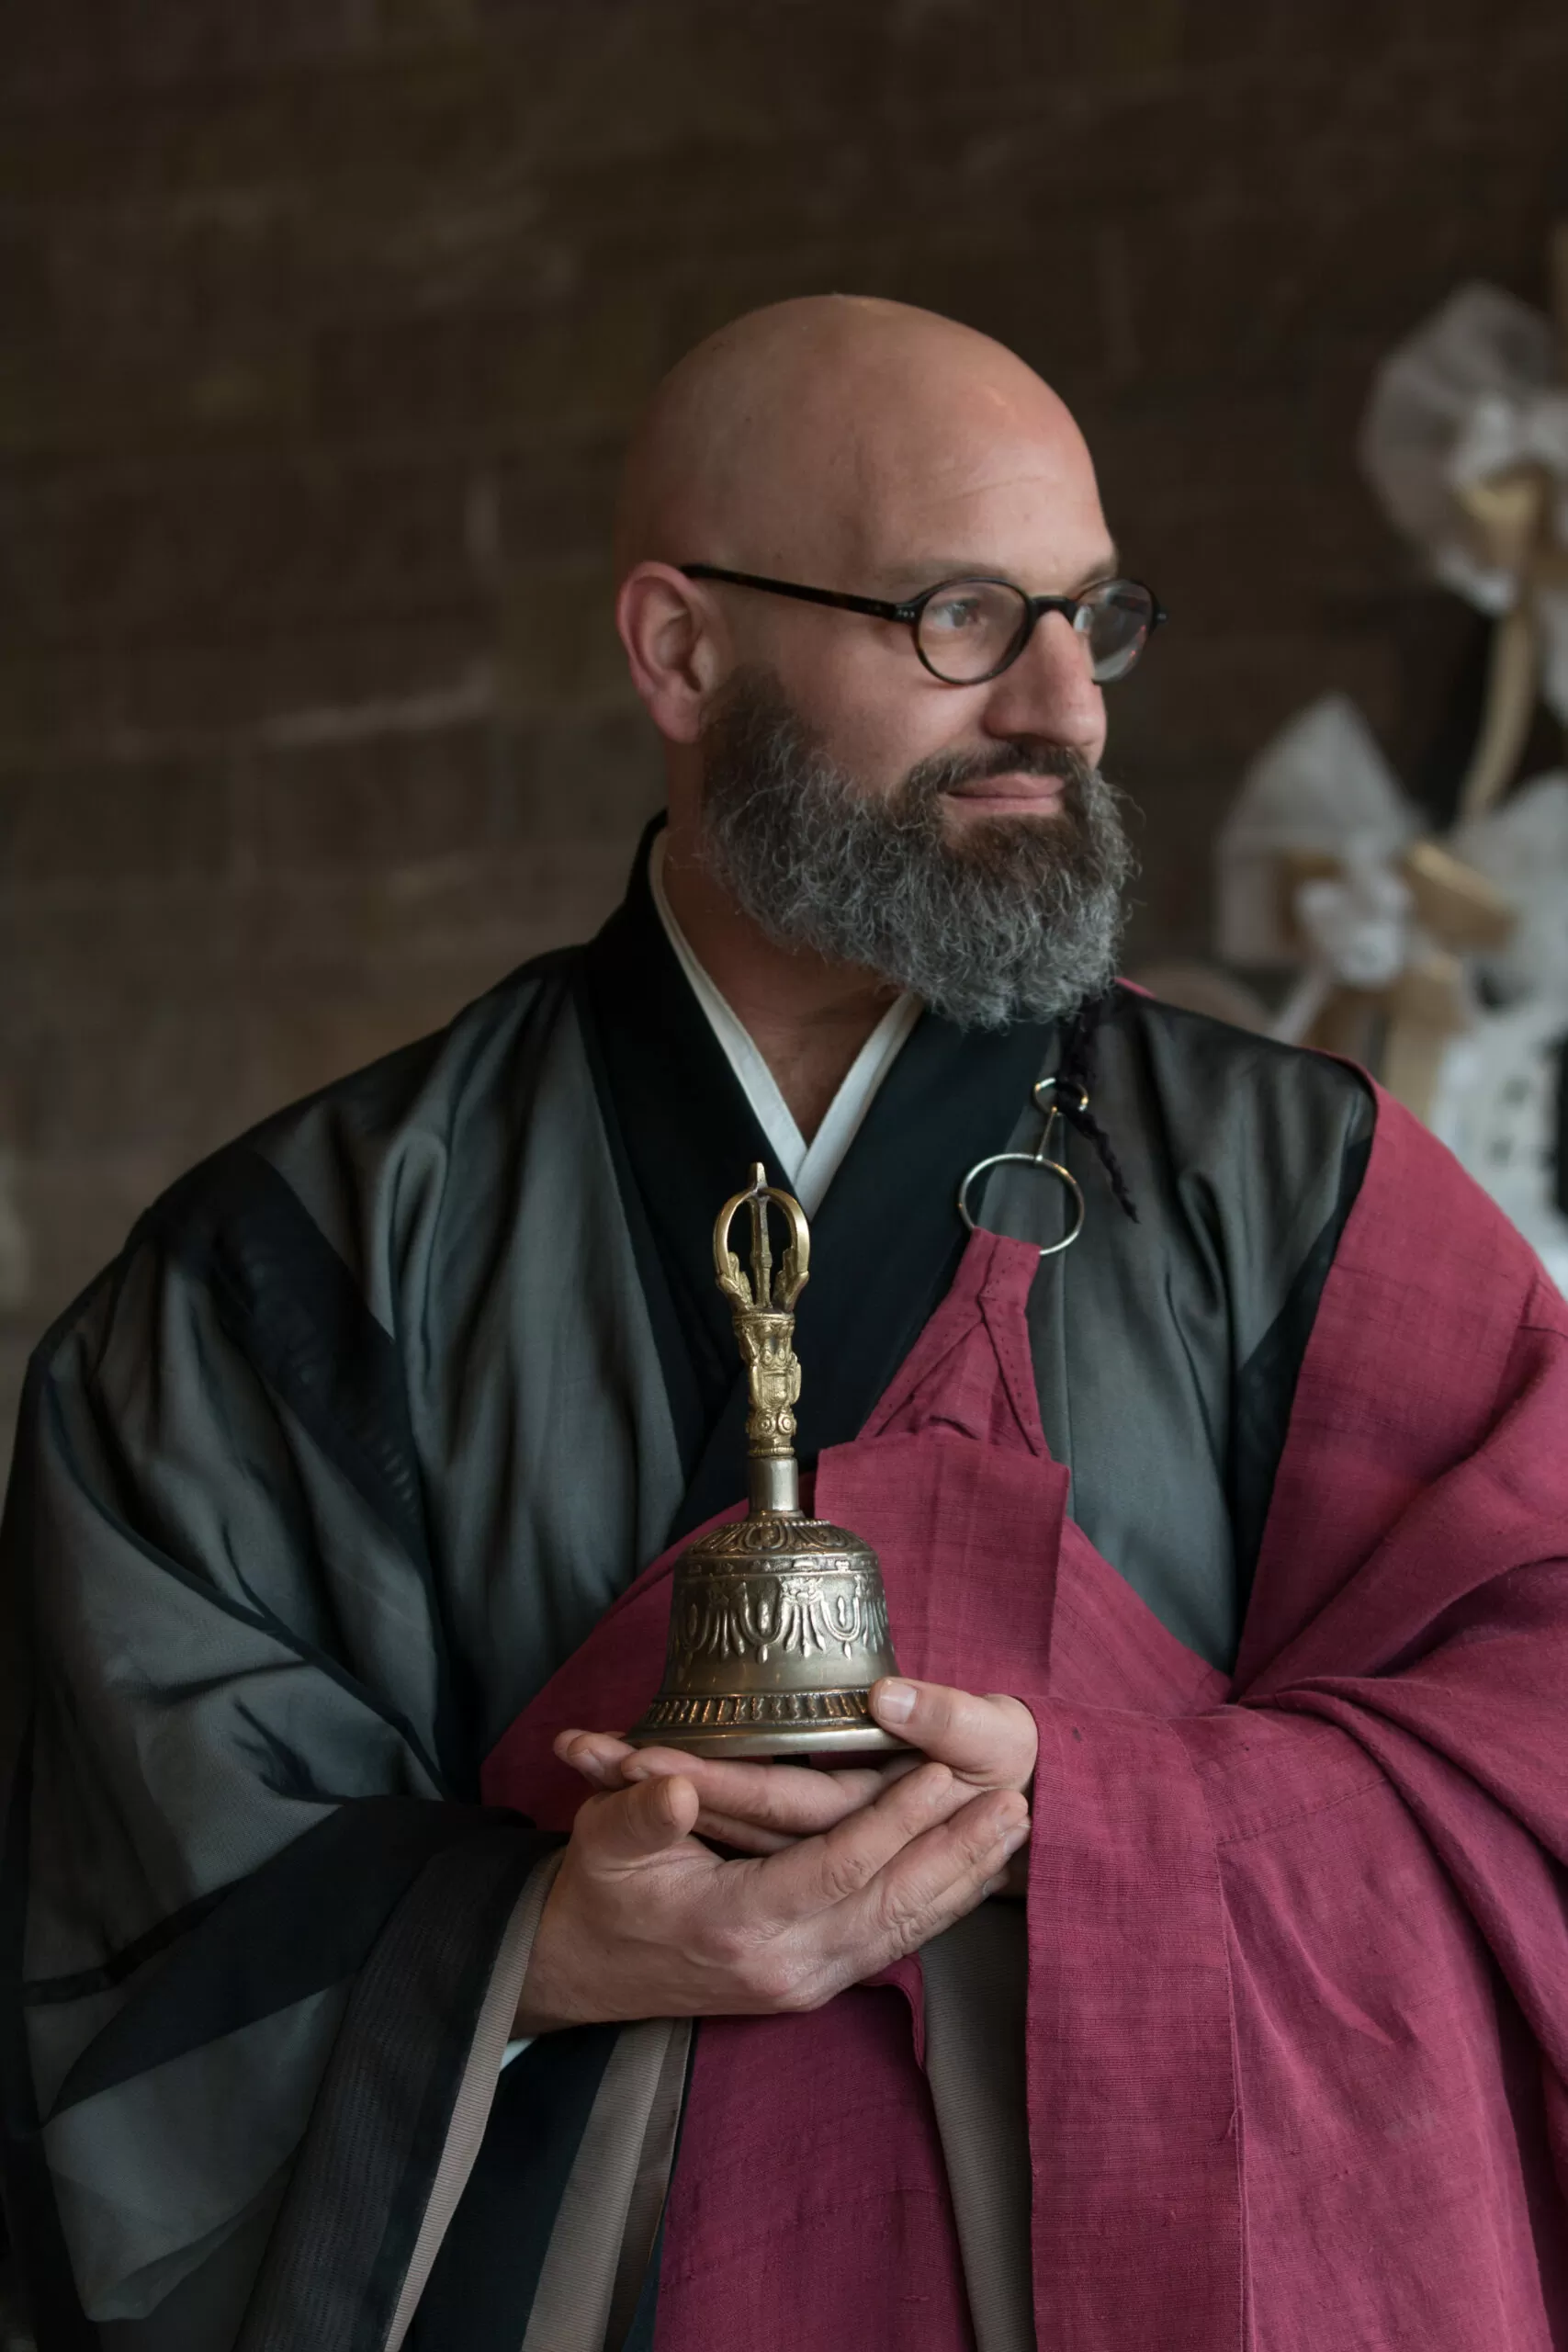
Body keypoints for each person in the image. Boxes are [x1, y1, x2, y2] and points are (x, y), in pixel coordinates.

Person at [3, 295, 1565, 2352]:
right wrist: (535, 1941)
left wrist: (1089, 1827)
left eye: (1091, 619)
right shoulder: (297, 1265)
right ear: (678, 647)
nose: (1060, 705)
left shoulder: (1302, 1197)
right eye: (956, 615)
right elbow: (119, 1914)